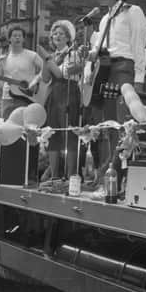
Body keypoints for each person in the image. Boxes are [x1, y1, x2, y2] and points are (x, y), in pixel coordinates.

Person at [84, 0, 146, 187]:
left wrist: (139, 77)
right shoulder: (104, 20)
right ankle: (111, 171)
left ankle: (121, 175)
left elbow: (139, 45)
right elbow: (99, 48)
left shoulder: (133, 12)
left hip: (124, 67)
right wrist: (91, 54)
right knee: (110, 122)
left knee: (124, 122)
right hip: (107, 69)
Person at [39, 20, 83, 179]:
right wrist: (46, 60)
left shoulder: (73, 53)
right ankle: (54, 176)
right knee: (53, 134)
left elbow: (60, 74)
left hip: (69, 93)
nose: (57, 36)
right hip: (54, 95)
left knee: (69, 134)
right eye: (55, 33)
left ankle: (71, 175)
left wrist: (48, 59)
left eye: (61, 33)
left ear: (68, 38)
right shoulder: (50, 57)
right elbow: (45, 78)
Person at [0, 27, 43, 118]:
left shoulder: (32, 55)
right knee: (6, 123)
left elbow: (44, 69)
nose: (17, 38)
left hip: (27, 96)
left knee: (25, 124)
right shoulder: (4, 58)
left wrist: (35, 82)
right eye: (14, 36)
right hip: (7, 97)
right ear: (9, 39)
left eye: (20, 36)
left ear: (23, 39)